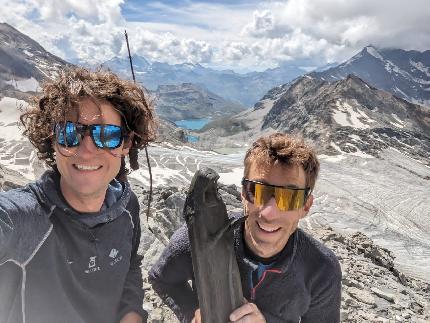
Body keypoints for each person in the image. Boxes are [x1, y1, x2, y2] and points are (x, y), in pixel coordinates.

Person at [0, 68, 157, 323]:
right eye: (69, 133)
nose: (86, 150)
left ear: (126, 144)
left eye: (106, 135)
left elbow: (130, 265)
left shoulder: (128, 206)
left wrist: (131, 313)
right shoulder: (24, 218)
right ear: (52, 140)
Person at [148, 133, 342, 323]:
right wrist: (192, 314)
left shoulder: (321, 270)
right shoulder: (197, 240)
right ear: (243, 193)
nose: (268, 213)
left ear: (306, 206)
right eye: (257, 192)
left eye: (289, 198)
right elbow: (161, 278)